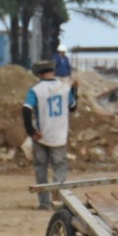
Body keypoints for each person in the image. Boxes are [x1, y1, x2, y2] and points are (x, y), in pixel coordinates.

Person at [23, 62, 74, 209]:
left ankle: (44, 203)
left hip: (41, 135)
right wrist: (75, 90)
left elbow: (26, 109)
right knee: (60, 166)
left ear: (39, 74)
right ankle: (56, 194)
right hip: (59, 135)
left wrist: (31, 130)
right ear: (53, 71)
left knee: (41, 168)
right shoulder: (64, 88)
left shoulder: (36, 90)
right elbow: (72, 106)